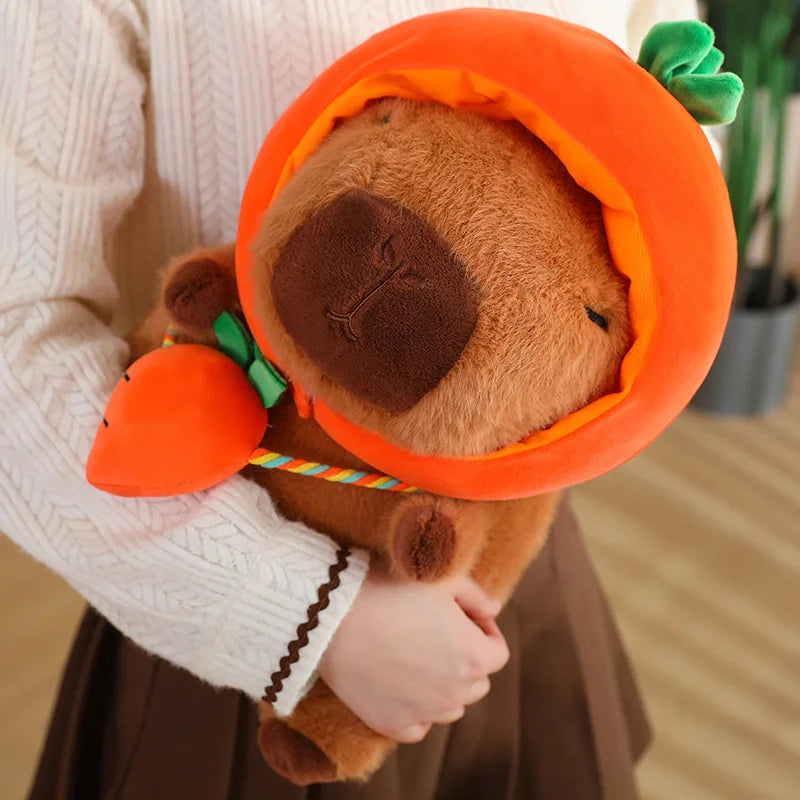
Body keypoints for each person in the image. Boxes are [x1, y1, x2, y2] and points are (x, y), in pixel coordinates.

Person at [0, 1, 699, 798]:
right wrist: (307, 613)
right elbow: (17, 325)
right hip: (228, 569)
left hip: (506, 556)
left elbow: (674, 144)